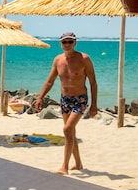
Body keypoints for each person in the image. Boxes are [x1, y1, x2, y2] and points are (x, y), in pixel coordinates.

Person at [34, 32, 97, 175]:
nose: (67, 44)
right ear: (61, 44)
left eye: (70, 42)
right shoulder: (58, 60)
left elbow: (93, 83)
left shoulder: (84, 59)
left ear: (75, 43)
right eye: (64, 42)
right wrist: (40, 97)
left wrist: (94, 105)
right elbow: (50, 81)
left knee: (67, 130)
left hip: (80, 99)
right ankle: (78, 164)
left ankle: (65, 166)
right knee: (71, 132)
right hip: (65, 99)